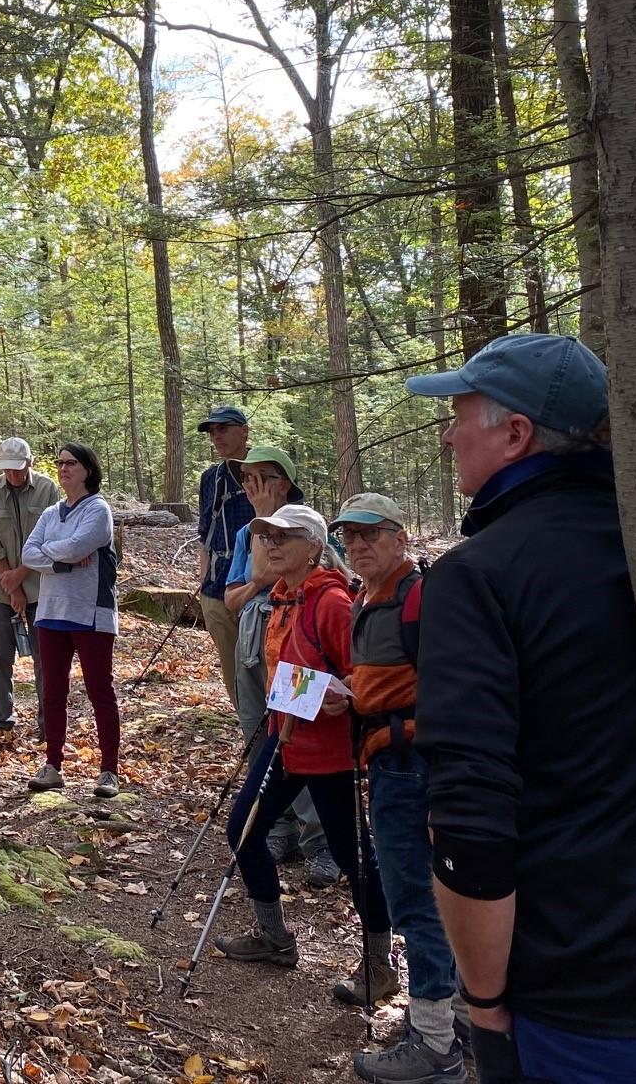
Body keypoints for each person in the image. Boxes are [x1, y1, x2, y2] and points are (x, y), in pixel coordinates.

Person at [407, 334, 636, 1084]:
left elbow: (471, 821)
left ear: (516, 434)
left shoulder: (478, 578)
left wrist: (484, 1004)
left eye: (460, 416)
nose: (449, 433)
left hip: (580, 1000)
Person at [213, 505, 392, 1005]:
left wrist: (324, 692)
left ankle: (380, 964)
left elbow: (364, 678)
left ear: (313, 545)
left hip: (328, 750)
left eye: (284, 536)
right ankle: (274, 936)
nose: (271, 544)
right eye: (266, 536)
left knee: (352, 857)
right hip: (283, 740)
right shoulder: (281, 599)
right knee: (242, 829)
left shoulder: (331, 601)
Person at [331, 492, 464, 1084]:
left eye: (371, 535)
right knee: (437, 896)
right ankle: (458, 1020)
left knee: (417, 900)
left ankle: (434, 1043)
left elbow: (452, 689)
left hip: (414, 767)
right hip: (390, 760)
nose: (359, 546)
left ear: (400, 537)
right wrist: (351, 692)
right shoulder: (369, 598)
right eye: (350, 537)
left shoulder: (421, 597)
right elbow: (380, 681)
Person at [220, 444, 334, 885]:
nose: (252, 486)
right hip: (253, 634)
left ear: (284, 482)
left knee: (298, 730)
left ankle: (321, 839)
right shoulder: (245, 534)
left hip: (296, 633)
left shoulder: (307, 525)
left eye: (262, 478)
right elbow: (233, 596)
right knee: (257, 729)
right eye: (246, 479)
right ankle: (277, 826)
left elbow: (298, 575)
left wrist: (259, 578)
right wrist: (257, 581)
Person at [21, 443, 121, 798]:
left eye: (71, 463)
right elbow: (27, 553)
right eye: (60, 463)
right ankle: (52, 765)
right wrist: (60, 561)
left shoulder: (99, 510)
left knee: (99, 690)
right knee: (52, 691)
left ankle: (109, 769)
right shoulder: (50, 513)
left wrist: (52, 551)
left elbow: (81, 545)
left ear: (88, 469)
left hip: (90, 613)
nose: (64, 469)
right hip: (51, 613)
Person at [0, 436, 59, 736]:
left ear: (30, 463)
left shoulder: (49, 489)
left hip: (41, 588)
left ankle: (48, 724)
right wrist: (11, 585)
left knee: (45, 658)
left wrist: (22, 575)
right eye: (7, 469)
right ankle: (0, 720)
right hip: (1, 588)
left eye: (18, 469)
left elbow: (53, 539)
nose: (13, 475)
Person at [195, 406, 254, 706]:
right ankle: (249, 739)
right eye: (212, 432)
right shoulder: (210, 478)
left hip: (259, 589)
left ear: (243, 430)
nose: (217, 436)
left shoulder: (265, 469)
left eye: (223, 429)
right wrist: (204, 577)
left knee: (264, 671)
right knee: (233, 676)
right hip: (217, 590)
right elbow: (205, 533)